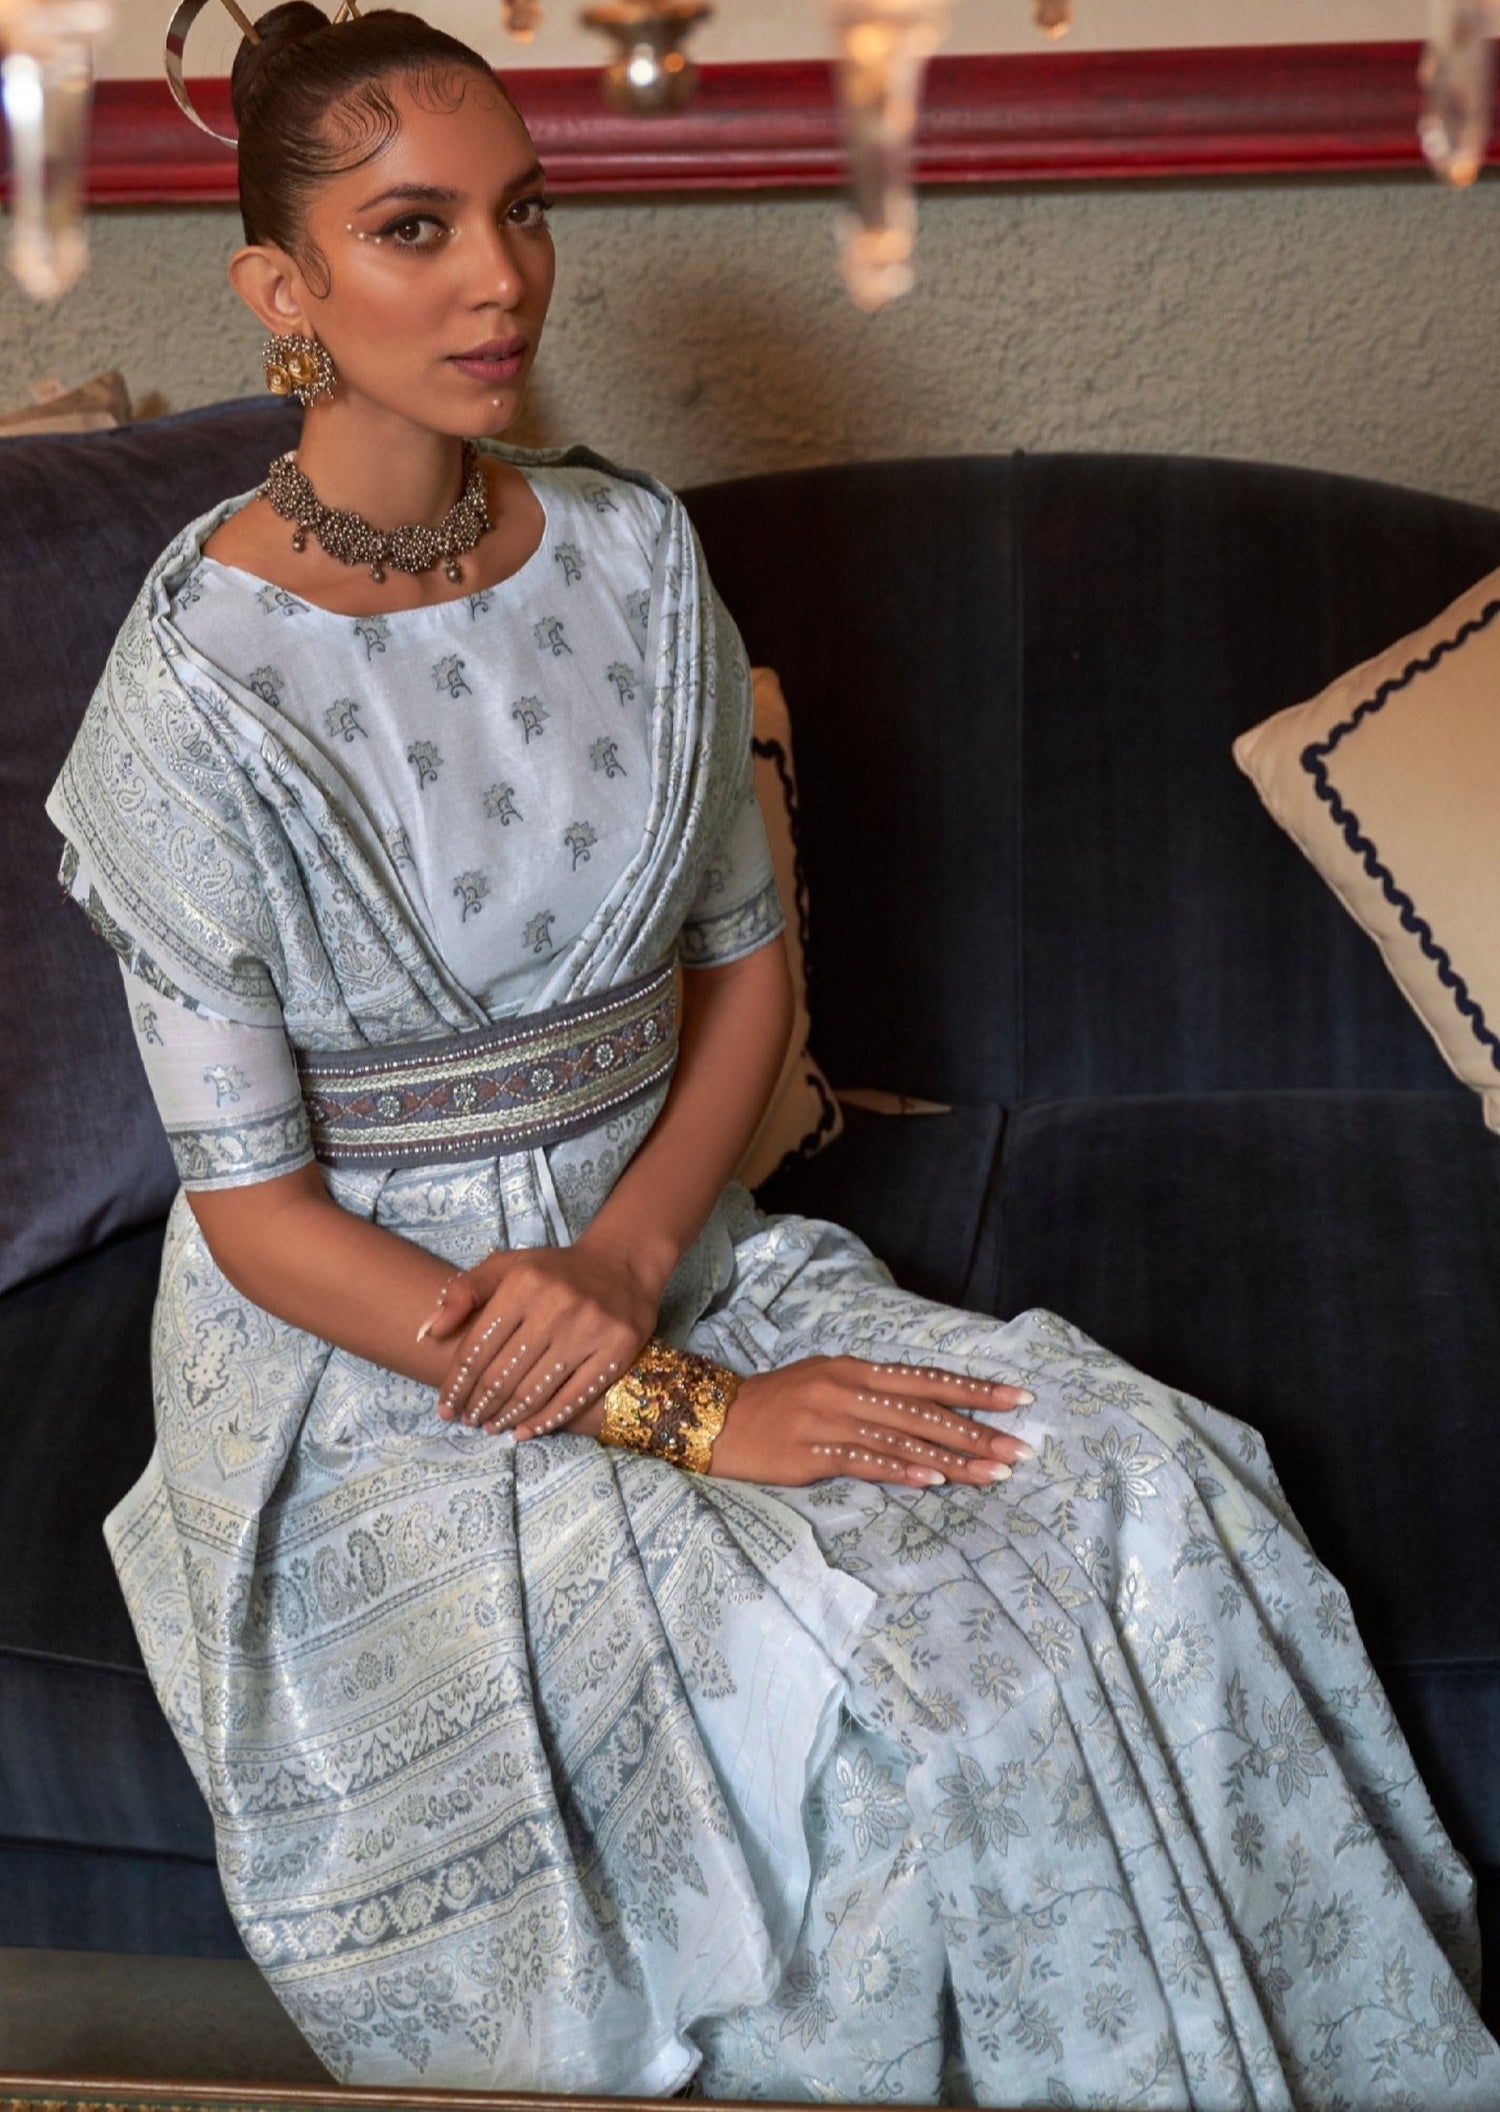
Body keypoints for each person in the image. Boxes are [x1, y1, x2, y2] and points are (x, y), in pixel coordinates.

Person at [43, 6, 1497, 2105]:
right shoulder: (191, 693)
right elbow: (259, 1219)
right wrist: (679, 1420)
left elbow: (745, 977)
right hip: (382, 1368)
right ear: (282, 291)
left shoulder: (633, 556)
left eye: (520, 212)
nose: (498, 279)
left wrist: (642, 1272)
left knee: (1149, 1501)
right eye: (412, 229)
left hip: (683, 1245)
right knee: (882, 1711)